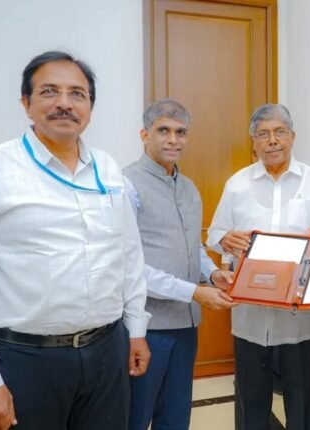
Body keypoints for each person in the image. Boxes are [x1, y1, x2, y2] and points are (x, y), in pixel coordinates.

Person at [0, 51, 150, 430]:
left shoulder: (107, 169)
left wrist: (135, 330)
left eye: (77, 94)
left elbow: (129, 256)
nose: (64, 103)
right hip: (25, 359)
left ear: (90, 106)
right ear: (26, 102)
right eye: (50, 91)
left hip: (107, 352)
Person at [207, 104, 310, 430]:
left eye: (280, 132)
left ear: (293, 136)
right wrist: (225, 239)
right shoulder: (237, 184)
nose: (272, 140)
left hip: (300, 315)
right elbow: (214, 234)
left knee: (303, 400)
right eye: (263, 134)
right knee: (251, 401)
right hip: (251, 315)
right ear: (253, 142)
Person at [123, 99, 236, 430]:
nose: (173, 139)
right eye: (164, 131)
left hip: (186, 327)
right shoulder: (125, 184)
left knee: (175, 417)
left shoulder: (188, 188)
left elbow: (192, 246)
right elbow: (129, 267)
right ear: (145, 134)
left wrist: (212, 273)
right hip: (145, 328)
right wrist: (195, 293)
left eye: (181, 132)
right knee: (135, 416)